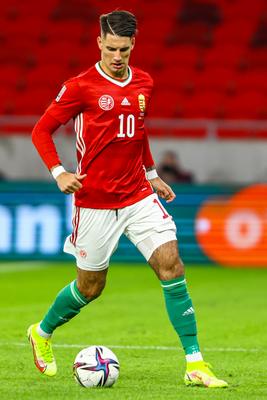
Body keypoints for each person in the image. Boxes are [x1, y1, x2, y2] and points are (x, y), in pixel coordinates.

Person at [28, 10, 228, 388]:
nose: (117, 56)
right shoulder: (80, 87)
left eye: (124, 49)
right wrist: (59, 173)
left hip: (136, 195)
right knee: (90, 288)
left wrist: (151, 175)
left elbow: (137, 133)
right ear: (99, 42)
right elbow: (41, 131)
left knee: (171, 265)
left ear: (133, 44)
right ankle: (42, 331)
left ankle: (195, 363)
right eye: (111, 48)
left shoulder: (145, 83)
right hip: (95, 202)